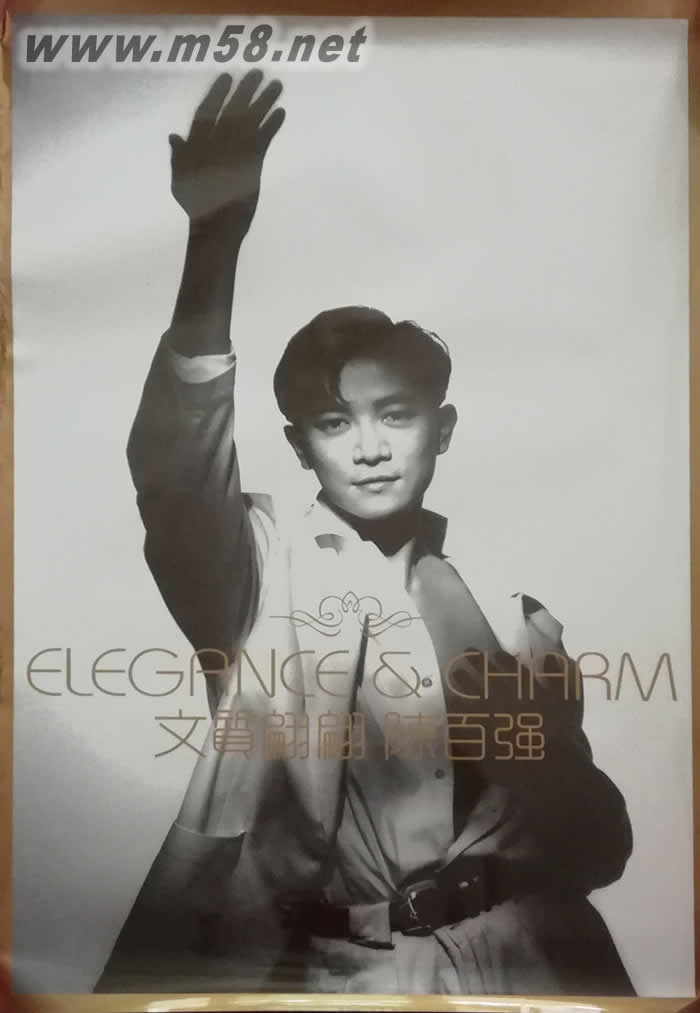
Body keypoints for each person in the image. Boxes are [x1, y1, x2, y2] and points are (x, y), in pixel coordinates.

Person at [95, 69, 634, 997]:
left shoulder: (514, 601)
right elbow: (175, 471)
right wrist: (214, 240)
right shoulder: (259, 573)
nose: (372, 447)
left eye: (396, 414)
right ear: (300, 447)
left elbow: (595, 838)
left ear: (443, 428)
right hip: (352, 974)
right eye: (336, 423)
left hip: (542, 958)